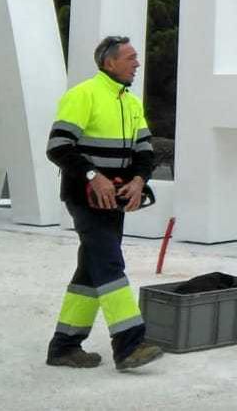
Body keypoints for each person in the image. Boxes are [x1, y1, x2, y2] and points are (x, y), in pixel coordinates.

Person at [44, 36, 163, 371]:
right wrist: (93, 175)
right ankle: (129, 346)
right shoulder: (83, 95)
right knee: (110, 265)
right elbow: (58, 147)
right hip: (85, 199)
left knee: (91, 271)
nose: (136, 63)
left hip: (117, 200)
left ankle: (64, 346)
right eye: (130, 57)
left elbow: (145, 152)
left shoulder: (130, 102)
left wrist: (139, 181)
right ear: (110, 63)